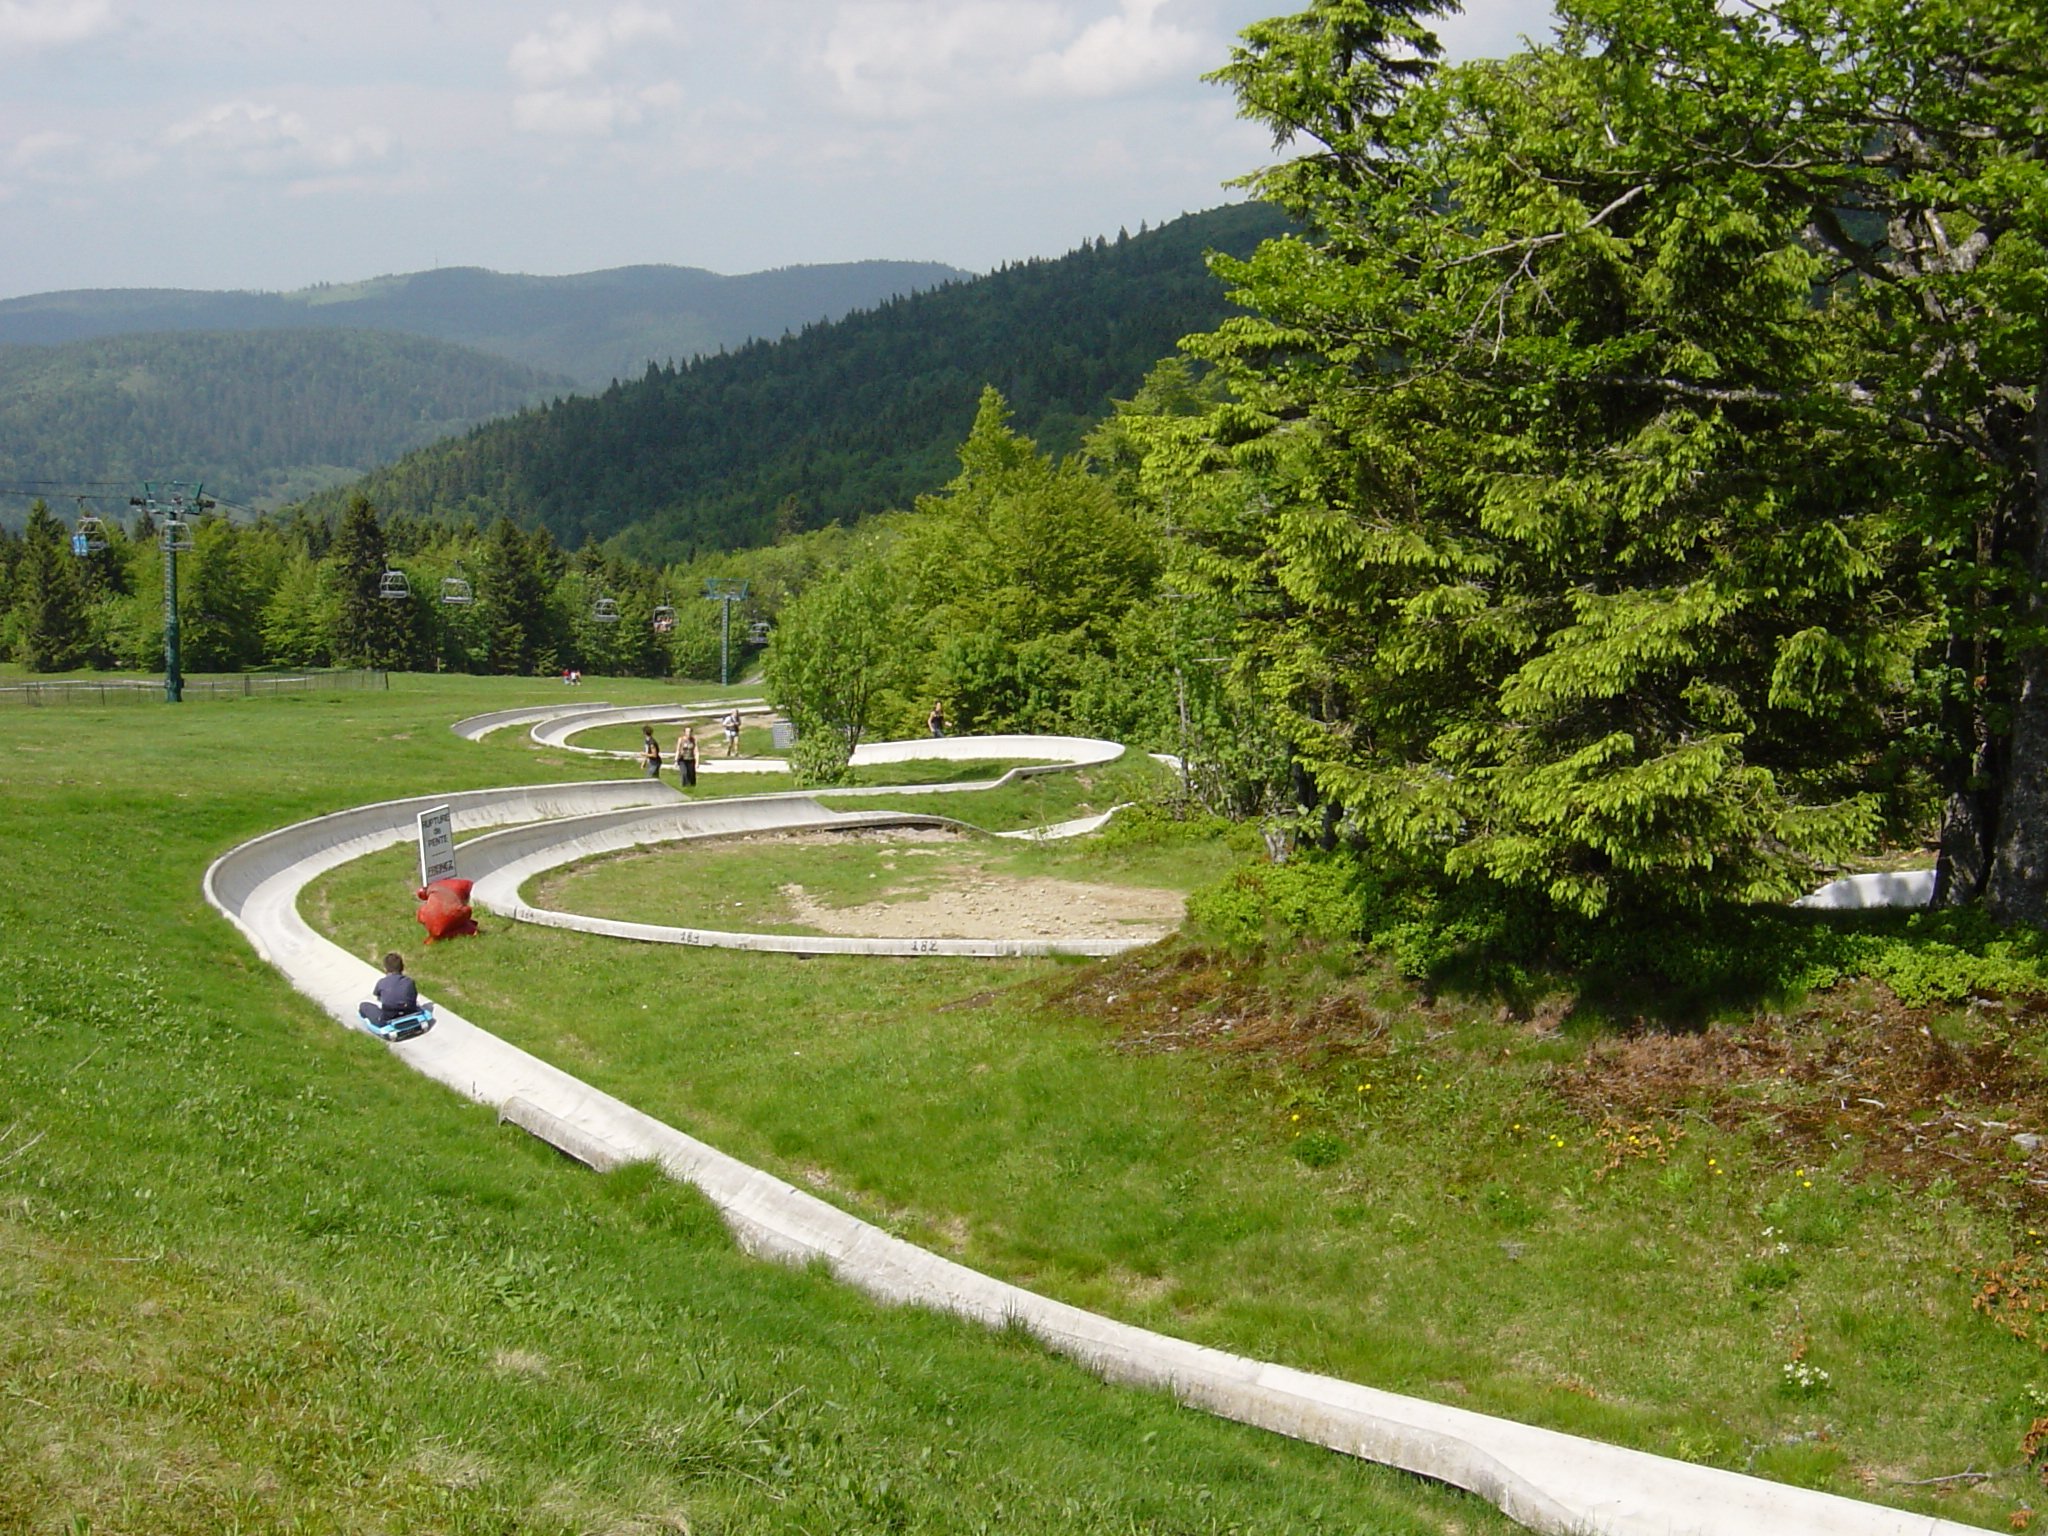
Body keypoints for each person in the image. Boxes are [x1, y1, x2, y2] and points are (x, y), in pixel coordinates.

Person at [358, 952, 419, 1027]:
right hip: (409, 1012)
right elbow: (414, 995)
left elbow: (378, 998)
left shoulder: (382, 982)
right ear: (402, 967)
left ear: (385, 969)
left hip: (388, 1018)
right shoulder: (410, 981)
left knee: (363, 1006)